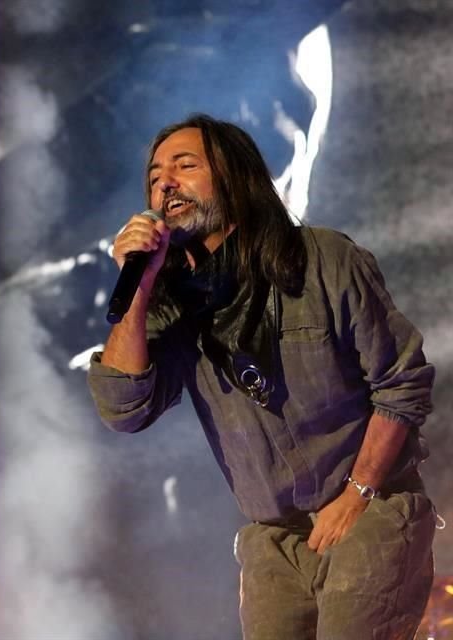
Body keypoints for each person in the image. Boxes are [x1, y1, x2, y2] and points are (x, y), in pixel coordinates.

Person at [88, 114, 436, 639]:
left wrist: (358, 492)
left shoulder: (325, 260)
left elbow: (403, 383)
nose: (165, 183)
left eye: (185, 166)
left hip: (370, 508)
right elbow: (122, 407)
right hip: (273, 538)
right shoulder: (173, 305)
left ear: (235, 177)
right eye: (156, 175)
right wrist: (137, 288)